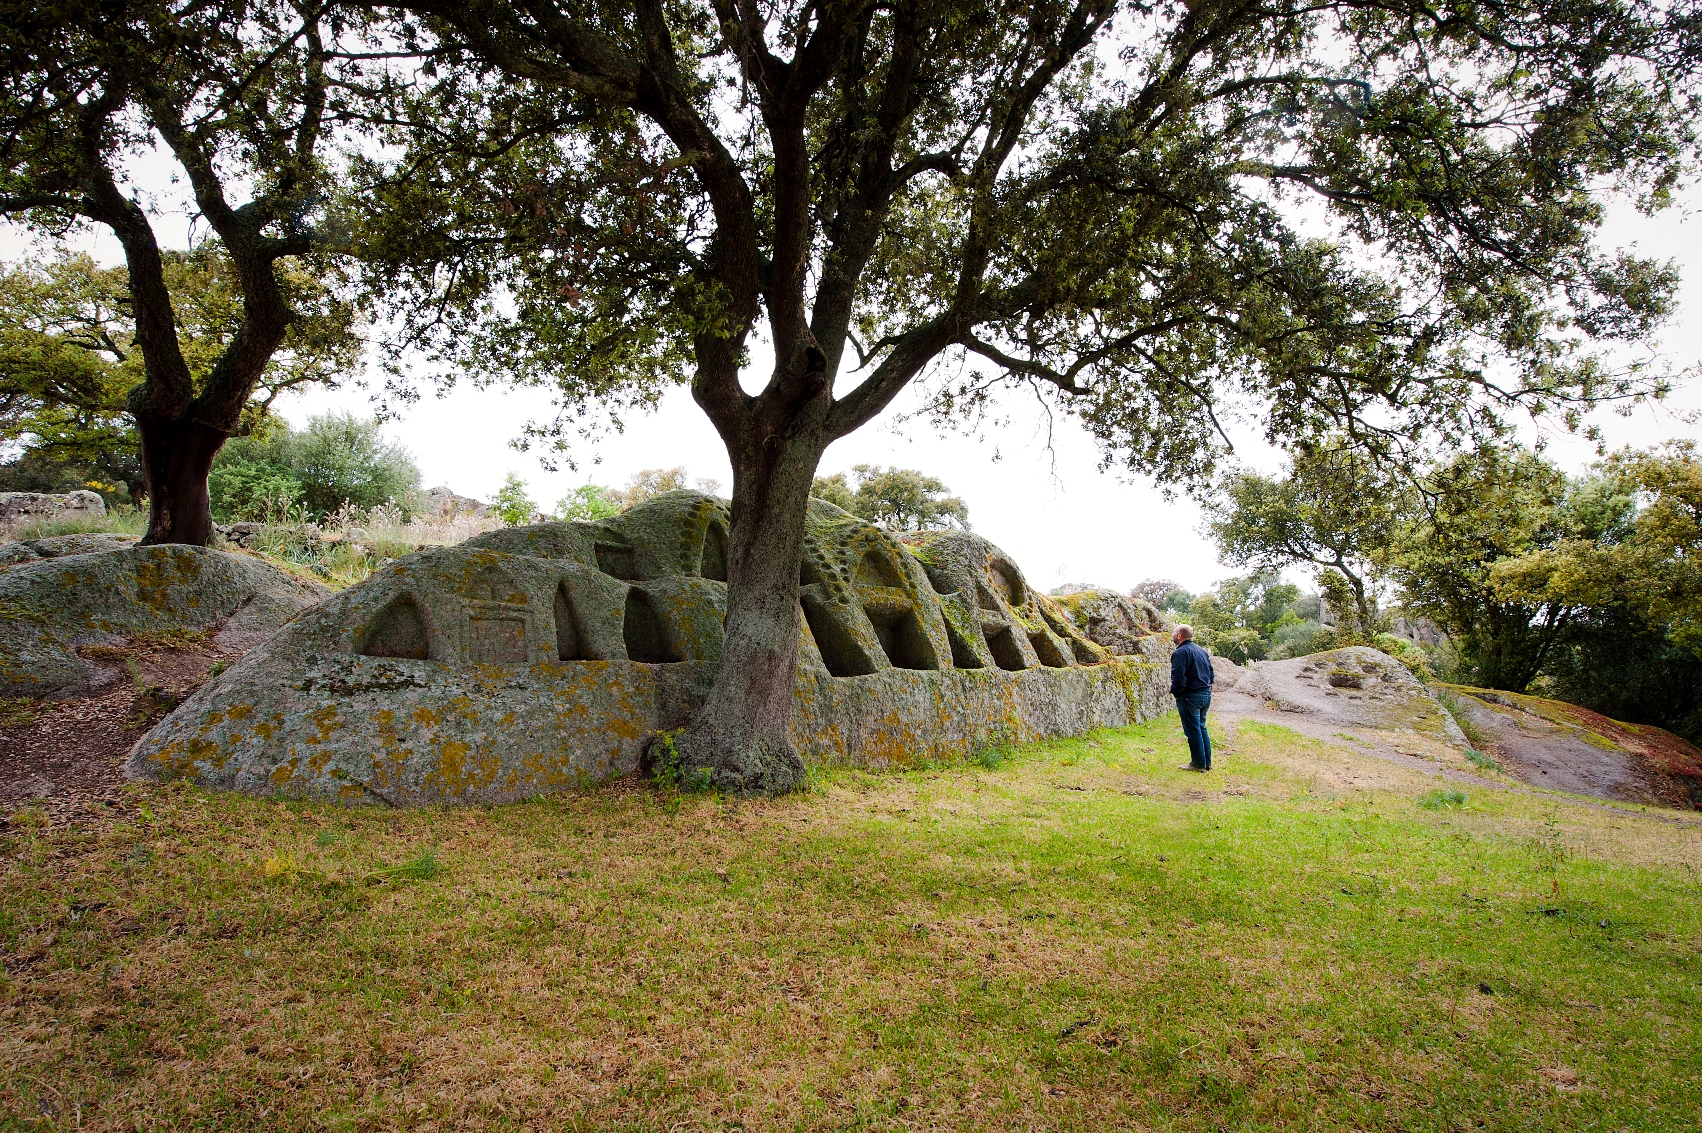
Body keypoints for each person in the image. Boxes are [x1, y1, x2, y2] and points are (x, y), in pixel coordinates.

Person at [1169, 623, 1214, 771]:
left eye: (1174, 633)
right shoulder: (1201, 651)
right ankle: (1206, 762)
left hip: (1190, 695)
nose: (1173, 635)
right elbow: (1211, 672)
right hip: (1205, 693)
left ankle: (1198, 764)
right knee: (1201, 727)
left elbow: (1178, 676)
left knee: (1193, 730)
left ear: (1179, 635)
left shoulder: (1181, 652)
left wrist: (1177, 692)